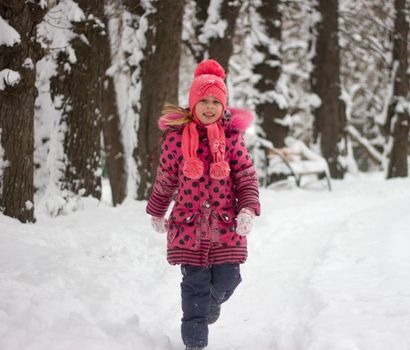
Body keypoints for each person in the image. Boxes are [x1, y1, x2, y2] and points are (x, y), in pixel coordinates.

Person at [146, 59, 261, 350]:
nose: (209, 107)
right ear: (192, 103)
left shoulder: (232, 139)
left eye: (215, 101)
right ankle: (194, 344)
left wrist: (247, 208)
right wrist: (158, 210)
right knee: (193, 288)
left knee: (228, 280)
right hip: (188, 228)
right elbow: (166, 179)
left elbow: (246, 177)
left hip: (225, 226)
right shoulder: (175, 140)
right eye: (203, 101)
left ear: (223, 106)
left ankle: (213, 301)